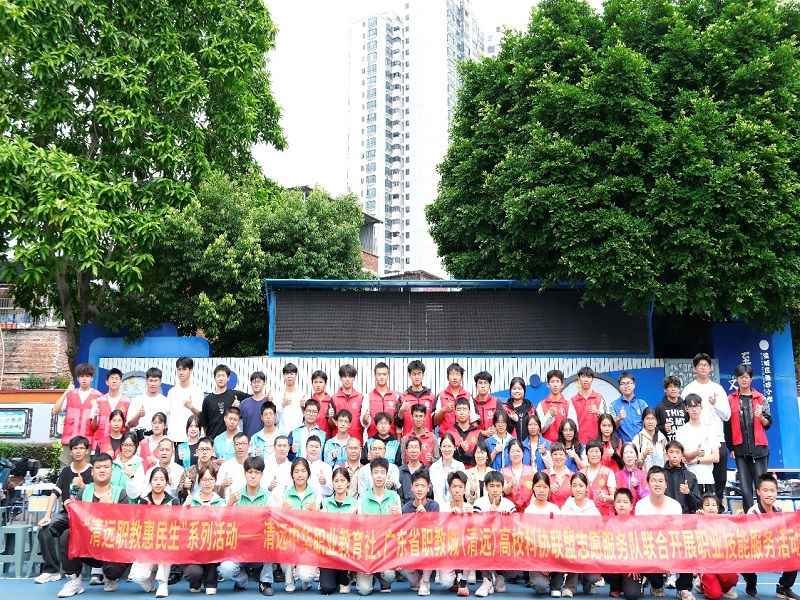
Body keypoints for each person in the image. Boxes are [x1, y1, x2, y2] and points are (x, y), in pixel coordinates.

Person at [55, 452, 131, 598]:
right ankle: (74, 580)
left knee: (113, 571)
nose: (102, 470)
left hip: (111, 546)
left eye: (106, 467)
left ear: (112, 471)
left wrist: (109, 507)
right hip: (89, 546)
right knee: (68, 535)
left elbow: (125, 526)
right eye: (98, 467)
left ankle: (110, 578)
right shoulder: (84, 493)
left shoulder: (120, 493)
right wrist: (72, 509)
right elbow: (78, 523)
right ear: (92, 471)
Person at [219, 456, 282, 596]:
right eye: (250, 472)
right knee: (225, 569)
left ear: (262, 475)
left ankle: (265, 581)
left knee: (273, 539)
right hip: (239, 548)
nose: (253, 476)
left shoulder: (268, 497)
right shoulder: (236, 495)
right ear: (245, 473)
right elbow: (223, 522)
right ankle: (242, 580)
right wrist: (229, 504)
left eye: (257, 472)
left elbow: (276, 523)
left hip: (260, 548)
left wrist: (265, 516)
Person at [34, 436, 93, 584]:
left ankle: (95, 571)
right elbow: (55, 493)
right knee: (45, 528)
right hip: (68, 515)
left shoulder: (92, 471)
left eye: (81, 448)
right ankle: (51, 570)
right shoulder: (66, 471)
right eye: (75, 448)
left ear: (86, 451)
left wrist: (83, 486)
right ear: (70, 452)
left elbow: (97, 495)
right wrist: (47, 515)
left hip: (87, 517)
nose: (78, 451)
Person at [681, 353, 731, 505]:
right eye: (700, 365)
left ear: (711, 368)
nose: (703, 368)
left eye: (706, 365)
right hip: (695, 440)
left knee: (720, 477)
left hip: (717, 437)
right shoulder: (688, 389)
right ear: (694, 368)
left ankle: (718, 506)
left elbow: (727, 415)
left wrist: (715, 403)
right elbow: (684, 415)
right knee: (697, 476)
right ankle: (698, 506)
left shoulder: (718, 389)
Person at [635, 466, 690, 600]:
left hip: (670, 547)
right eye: (653, 480)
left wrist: (671, 559)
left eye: (660, 481)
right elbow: (640, 536)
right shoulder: (641, 505)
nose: (657, 484)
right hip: (650, 548)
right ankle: (656, 585)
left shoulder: (675, 505)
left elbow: (677, 534)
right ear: (648, 484)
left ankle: (683, 588)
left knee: (689, 547)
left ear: (666, 484)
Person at [742, 473, 800, 600]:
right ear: (758, 492)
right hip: (756, 551)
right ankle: (751, 581)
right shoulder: (753, 512)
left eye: (772, 491)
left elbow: (785, 533)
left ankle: (784, 587)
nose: (769, 494)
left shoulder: (779, 510)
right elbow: (751, 537)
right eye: (765, 490)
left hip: (775, 549)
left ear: (777, 492)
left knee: (796, 549)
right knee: (743, 549)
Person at [724, 363, 771, 513]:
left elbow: (768, 423)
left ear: (751, 379)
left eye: (746, 377)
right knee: (745, 488)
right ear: (736, 379)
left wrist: (761, 417)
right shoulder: (730, 398)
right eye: (740, 377)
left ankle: (764, 516)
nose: (743, 380)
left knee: (762, 486)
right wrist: (731, 447)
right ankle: (749, 517)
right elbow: (727, 425)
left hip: (759, 448)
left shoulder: (760, 398)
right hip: (740, 449)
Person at [129, 467, 178, 598]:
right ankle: (149, 580)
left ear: (167, 482)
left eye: (162, 479)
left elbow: (178, 526)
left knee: (166, 546)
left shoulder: (173, 502)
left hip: (166, 546)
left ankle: (163, 583)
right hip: (147, 546)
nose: (158, 482)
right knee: (137, 576)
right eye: (155, 479)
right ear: (150, 481)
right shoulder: (144, 501)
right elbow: (137, 525)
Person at [357, 457, 401, 595]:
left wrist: (398, 515)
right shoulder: (362, 499)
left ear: (387, 475)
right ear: (371, 475)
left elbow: (400, 528)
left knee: (389, 575)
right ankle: (369, 576)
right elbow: (359, 529)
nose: (379, 476)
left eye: (382, 472)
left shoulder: (394, 497)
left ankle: (383, 580)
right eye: (376, 472)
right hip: (368, 548)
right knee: (364, 590)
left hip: (387, 549)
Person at [182, 463, 225, 594]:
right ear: (199, 482)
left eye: (211, 479)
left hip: (213, 545)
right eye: (204, 480)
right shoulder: (191, 500)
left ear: (215, 481)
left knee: (215, 544)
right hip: (194, 547)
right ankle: (196, 580)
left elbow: (224, 525)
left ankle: (210, 581)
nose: (207, 483)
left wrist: (213, 515)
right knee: (193, 573)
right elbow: (181, 525)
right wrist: (186, 508)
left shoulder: (221, 502)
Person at [473, 471, 516, 597]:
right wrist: (489, 517)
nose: (495, 490)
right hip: (485, 542)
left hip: (503, 544)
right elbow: (475, 527)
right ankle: (486, 579)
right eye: (491, 486)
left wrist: (508, 519)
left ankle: (500, 576)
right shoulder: (479, 503)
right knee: (477, 543)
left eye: (498, 486)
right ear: (486, 487)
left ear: (503, 487)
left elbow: (516, 529)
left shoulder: (509, 504)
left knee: (515, 564)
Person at [52, 363, 103, 467]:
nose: (84, 379)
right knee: (65, 469)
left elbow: (97, 424)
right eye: (82, 376)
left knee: (85, 471)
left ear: (92, 378)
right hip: (69, 441)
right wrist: (66, 392)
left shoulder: (98, 396)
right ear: (78, 378)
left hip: (86, 441)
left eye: (87, 376)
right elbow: (55, 411)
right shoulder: (70, 394)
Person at [281, 457, 320, 592]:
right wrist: (284, 510)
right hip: (291, 540)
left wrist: (315, 510)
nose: (300, 474)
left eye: (303, 471)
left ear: (308, 473)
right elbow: (279, 521)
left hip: (309, 542)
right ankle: (289, 580)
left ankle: (305, 579)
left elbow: (323, 521)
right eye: (296, 471)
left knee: (305, 575)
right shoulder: (285, 493)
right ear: (292, 474)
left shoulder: (316, 492)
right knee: (286, 552)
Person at [560, 473, 601, 596]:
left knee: (594, 577)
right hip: (571, 547)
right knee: (574, 553)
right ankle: (570, 587)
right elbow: (562, 529)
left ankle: (587, 582)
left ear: (586, 488)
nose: (578, 489)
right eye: (574, 485)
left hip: (589, 549)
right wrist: (576, 541)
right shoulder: (566, 508)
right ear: (571, 487)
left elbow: (599, 531)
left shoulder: (593, 510)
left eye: (581, 486)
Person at [320, 467, 358, 595]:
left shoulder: (355, 504)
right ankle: (335, 577)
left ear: (348, 483)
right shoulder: (325, 503)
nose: (339, 484)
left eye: (342, 480)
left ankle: (344, 578)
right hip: (329, 551)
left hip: (347, 550)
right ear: (332, 483)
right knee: (326, 588)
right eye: (336, 481)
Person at [401, 470, 439, 597]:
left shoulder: (434, 506)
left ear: (428, 488)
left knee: (431, 545)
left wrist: (425, 518)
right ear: (411, 487)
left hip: (429, 546)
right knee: (403, 566)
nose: (419, 489)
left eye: (423, 486)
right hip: (412, 546)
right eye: (416, 485)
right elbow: (404, 533)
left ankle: (426, 580)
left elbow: (436, 531)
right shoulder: (406, 508)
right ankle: (417, 580)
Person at [524, 472, 562, 597]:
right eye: (538, 486)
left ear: (549, 489)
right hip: (536, 557)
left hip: (553, 554)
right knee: (540, 587)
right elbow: (527, 540)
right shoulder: (529, 511)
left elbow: (560, 537)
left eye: (545, 487)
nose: (541, 490)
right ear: (533, 488)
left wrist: (550, 560)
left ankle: (556, 584)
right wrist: (541, 563)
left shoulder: (555, 509)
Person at [694, 494, 739, 600]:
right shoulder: (697, 521)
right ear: (701, 508)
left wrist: (740, 518)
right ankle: (701, 584)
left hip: (722, 562)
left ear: (718, 508)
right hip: (706, 565)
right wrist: (695, 519)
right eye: (707, 505)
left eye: (713, 505)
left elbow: (741, 530)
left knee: (733, 578)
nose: (711, 508)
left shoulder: (725, 522)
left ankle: (724, 589)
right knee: (714, 595)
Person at [603, 489, 643, 600]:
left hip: (631, 564)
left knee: (632, 595)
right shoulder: (610, 523)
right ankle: (616, 587)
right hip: (615, 562)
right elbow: (606, 546)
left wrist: (635, 566)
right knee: (603, 566)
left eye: (625, 502)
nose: (621, 505)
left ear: (631, 506)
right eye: (618, 502)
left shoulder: (637, 525)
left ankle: (640, 583)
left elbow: (641, 549)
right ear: (614, 505)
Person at [675, 394, 719, 495]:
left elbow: (716, 457)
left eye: (697, 406)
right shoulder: (682, 431)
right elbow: (686, 456)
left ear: (701, 407)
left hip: (708, 479)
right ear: (686, 409)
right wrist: (696, 453)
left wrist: (696, 460)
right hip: (691, 478)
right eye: (691, 406)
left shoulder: (710, 430)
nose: (694, 410)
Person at [438, 471, 473, 597]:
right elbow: (439, 532)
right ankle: (453, 578)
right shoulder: (443, 507)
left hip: (465, 550)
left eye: (460, 487)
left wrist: (471, 516)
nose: (457, 490)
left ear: (465, 489)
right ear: (449, 489)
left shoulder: (469, 508)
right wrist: (450, 517)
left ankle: (463, 581)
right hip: (448, 551)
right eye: (454, 487)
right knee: (446, 583)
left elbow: (476, 533)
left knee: (471, 544)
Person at [201, 364, 247, 440]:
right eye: (218, 376)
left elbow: (255, 398)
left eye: (223, 375)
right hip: (212, 439)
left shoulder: (235, 395)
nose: (221, 378)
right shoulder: (208, 400)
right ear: (214, 378)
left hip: (231, 440)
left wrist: (266, 397)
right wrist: (208, 440)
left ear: (228, 378)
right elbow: (205, 424)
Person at [570, 367, 614, 445]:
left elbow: (608, 420)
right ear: (579, 379)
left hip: (598, 443)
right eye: (583, 377)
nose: (586, 380)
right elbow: (571, 424)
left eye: (589, 377)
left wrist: (598, 412)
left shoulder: (600, 398)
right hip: (579, 443)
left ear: (592, 380)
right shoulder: (573, 400)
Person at [89, 368, 131, 448]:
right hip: (100, 444)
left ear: (121, 382)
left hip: (120, 444)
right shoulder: (98, 401)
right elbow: (93, 427)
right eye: (112, 378)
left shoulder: (127, 402)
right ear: (107, 382)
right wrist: (95, 416)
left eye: (116, 379)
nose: (114, 381)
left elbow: (128, 426)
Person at [167, 357, 204, 448]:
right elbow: (168, 414)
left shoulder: (197, 391)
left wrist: (190, 407)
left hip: (191, 438)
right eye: (179, 369)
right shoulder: (172, 392)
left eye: (184, 369)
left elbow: (201, 416)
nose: (181, 372)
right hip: (174, 437)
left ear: (190, 370)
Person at [395, 360, 436, 438]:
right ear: (410, 375)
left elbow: (434, 422)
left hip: (427, 440)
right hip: (409, 440)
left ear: (423, 375)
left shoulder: (431, 397)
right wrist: (401, 410)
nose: (417, 377)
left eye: (419, 374)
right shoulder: (403, 397)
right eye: (414, 374)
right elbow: (398, 424)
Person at [434, 362, 473, 437]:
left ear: (462, 377)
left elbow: (474, 420)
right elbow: (434, 421)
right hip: (445, 439)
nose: (455, 378)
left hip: (465, 438)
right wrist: (443, 410)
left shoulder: (468, 396)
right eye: (452, 374)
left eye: (457, 374)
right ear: (447, 377)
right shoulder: (441, 396)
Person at [538, 369, 577, 444]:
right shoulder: (541, 405)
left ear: (562, 384)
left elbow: (574, 428)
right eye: (552, 381)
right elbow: (540, 429)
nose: (555, 385)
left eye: (557, 381)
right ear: (548, 384)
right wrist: (550, 415)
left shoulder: (568, 404)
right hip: (546, 446)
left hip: (563, 446)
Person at [662, 440, 702, 514]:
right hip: (665, 516)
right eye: (671, 452)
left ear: (682, 455)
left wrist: (688, 493)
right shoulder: (661, 475)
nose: (674, 455)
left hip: (685, 517)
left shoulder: (690, 476)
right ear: (666, 454)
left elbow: (697, 505)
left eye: (677, 452)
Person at [580, 439, 616, 516]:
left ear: (601, 454)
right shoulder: (581, 473)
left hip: (604, 516)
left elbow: (614, 497)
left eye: (597, 451)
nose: (594, 454)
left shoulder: (608, 473)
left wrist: (606, 497)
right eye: (591, 451)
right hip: (585, 516)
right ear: (586, 454)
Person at [127, 367, 168, 435]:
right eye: (151, 381)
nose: (153, 384)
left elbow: (168, 425)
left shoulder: (166, 401)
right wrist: (139, 415)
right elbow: (129, 424)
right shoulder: (137, 400)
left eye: (156, 381)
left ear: (160, 382)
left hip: (160, 438)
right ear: (146, 381)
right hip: (141, 437)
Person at [363, 362, 400, 437]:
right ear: (375, 376)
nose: (382, 377)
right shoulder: (368, 397)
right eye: (379, 374)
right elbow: (364, 423)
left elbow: (398, 422)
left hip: (391, 440)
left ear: (388, 375)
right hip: (373, 439)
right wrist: (365, 419)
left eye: (384, 374)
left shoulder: (396, 397)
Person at [330, 363, 365, 440]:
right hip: (338, 441)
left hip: (356, 440)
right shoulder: (334, 398)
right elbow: (331, 424)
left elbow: (365, 422)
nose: (347, 379)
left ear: (354, 378)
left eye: (350, 376)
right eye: (344, 376)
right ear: (340, 378)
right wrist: (330, 417)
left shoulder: (360, 398)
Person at [177, 436, 216, 504]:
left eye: (207, 449)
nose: (204, 452)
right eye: (202, 449)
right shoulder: (189, 471)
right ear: (197, 452)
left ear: (212, 452)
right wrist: (184, 486)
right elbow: (179, 493)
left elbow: (221, 493)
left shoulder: (218, 470)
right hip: (193, 504)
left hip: (213, 504)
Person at [612, 372, 649, 443]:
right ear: (620, 387)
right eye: (623, 384)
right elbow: (611, 428)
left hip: (642, 444)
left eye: (628, 383)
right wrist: (618, 418)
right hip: (624, 446)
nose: (626, 386)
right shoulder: (613, 405)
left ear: (634, 385)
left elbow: (650, 423)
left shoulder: (642, 404)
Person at [430, 433, 466, 505]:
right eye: (444, 446)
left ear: (454, 448)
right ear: (440, 447)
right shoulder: (434, 468)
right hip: (439, 508)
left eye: (449, 446)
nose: (447, 450)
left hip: (457, 507)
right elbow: (437, 491)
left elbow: (460, 490)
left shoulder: (460, 466)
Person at [502, 438, 534, 512]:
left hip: (529, 511)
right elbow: (505, 491)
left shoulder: (532, 470)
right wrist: (511, 484)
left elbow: (535, 491)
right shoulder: (504, 471)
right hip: (510, 511)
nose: (515, 454)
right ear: (508, 454)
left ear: (523, 453)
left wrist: (530, 509)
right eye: (512, 451)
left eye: (518, 451)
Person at [111, 431, 146, 499]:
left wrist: (131, 477)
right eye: (125, 445)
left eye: (131, 445)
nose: (128, 448)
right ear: (121, 445)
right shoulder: (113, 464)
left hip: (129, 504)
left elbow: (136, 494)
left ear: (135, 446)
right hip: (111, 502)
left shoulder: (138, 466)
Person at [615, 442, 650, 509]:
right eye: (625, 453)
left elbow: (647, 498)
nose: (629, 455)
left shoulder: (644, 475)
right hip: (622, 513)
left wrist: (638, 487)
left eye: (631, 452)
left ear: (636, 456)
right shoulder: (616, 476)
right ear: (622, 457)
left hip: (639, 512)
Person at [216, 431, 250, 500]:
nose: (240, 447)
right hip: (230, 504)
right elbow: (219, 495)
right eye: (237, 444)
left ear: (249, 446)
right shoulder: (226, 466)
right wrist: (222, 486)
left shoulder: (254, 465)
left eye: (243, 443)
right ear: (233, 447)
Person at [398, 436, 430, 505]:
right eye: (411, 447)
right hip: (405, 509)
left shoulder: (427, 471)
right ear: (406, 451)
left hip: (424, 509)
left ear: (420, 451)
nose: (413, 450)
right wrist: (405, 509)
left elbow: (430, 494)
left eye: (416, 447)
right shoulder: (400, 471)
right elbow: (399, 495)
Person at [452, 398, 483, 467]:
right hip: (455, 471)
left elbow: (481, 456)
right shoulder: (450, 433)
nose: (462, 412)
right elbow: (448, 456)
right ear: (455, 412)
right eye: (459, 409)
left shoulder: (477, 433)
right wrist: (461, 450)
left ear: (469, 412)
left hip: (474, 471)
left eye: (464, 409)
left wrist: (460, 455)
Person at [654, 375, 687, 442]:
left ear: (679, 389)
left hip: (684, 443)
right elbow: (654, 428)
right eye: (670, 386)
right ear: (665, 389)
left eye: (675, 386)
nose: (673, 389)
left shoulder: (685, 406)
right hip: (667, 444)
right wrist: (663, 428)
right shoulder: (659, 407)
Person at [275, 362, 306, 433]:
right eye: (286, 374)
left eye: (291, 374)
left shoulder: (301, 395)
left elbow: (305, 419)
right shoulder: (278, 395)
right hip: (281, 435)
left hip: (297, 434)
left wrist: (303, 408)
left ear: (296, 375)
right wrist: (282, 405)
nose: (289, 376)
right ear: (283, 375)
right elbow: (274, 419)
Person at [239, 371, 272, 438]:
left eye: (259, 382)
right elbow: (238, 424)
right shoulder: (244, 403)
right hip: (247, 440)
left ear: (264, 384)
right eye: (254, 382)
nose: (256, 384)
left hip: (266, 440)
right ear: (251, 385)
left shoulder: (269, 402)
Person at [472, 370, 500, 439]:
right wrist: (483, 433)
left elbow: (501, 420)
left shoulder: (497, 402)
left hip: (494, 440)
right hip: (476, 441)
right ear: (476, 385)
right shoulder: (472, 403)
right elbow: (469, 426)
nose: (483, 386)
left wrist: (495, 429)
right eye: (480, 383)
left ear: (490, 385)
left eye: (486, 383)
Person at [465, 440, 494, 505]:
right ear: (474, 455)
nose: (480, 455)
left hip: (490, 508)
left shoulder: (493, 473)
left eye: (482, 453)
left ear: (487, 456)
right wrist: (472, 491)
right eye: (477, 453)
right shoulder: (467, 473)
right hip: (473, 508)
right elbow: (467, 497)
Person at [546, 443, 574, 508]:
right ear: (551, 456)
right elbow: (538, 498)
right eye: (555, 454)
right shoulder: (544, 474)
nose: (558, 457)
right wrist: (549, 490)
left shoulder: (573, 476)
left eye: (561, 454)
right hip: (550, 512)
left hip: (568, 513)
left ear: (566, 457)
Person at [308, 370, 334, 438]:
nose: (318, 385)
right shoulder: (309, 403)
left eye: (321, 382)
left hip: (327, 439)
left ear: (325, 383)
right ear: (312, 383)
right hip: (312, 440)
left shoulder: (331, 402)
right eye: (315, 382)